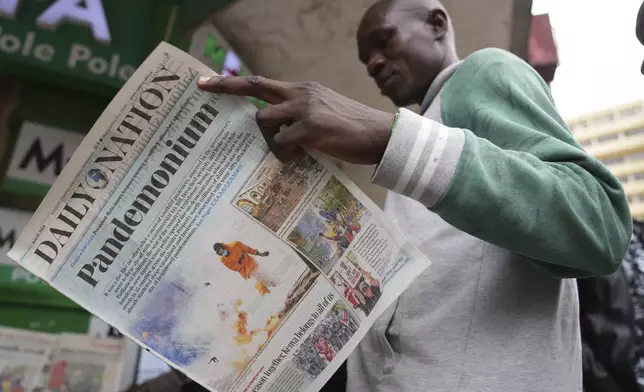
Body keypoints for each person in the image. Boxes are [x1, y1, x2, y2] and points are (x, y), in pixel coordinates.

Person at [198, 0, 631, 390]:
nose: (376, 64)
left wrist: (388, 140)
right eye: (368, 63)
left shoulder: (481, 73)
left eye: (383, 42)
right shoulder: (423, 136)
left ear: (437, 23)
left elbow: (599, 225)